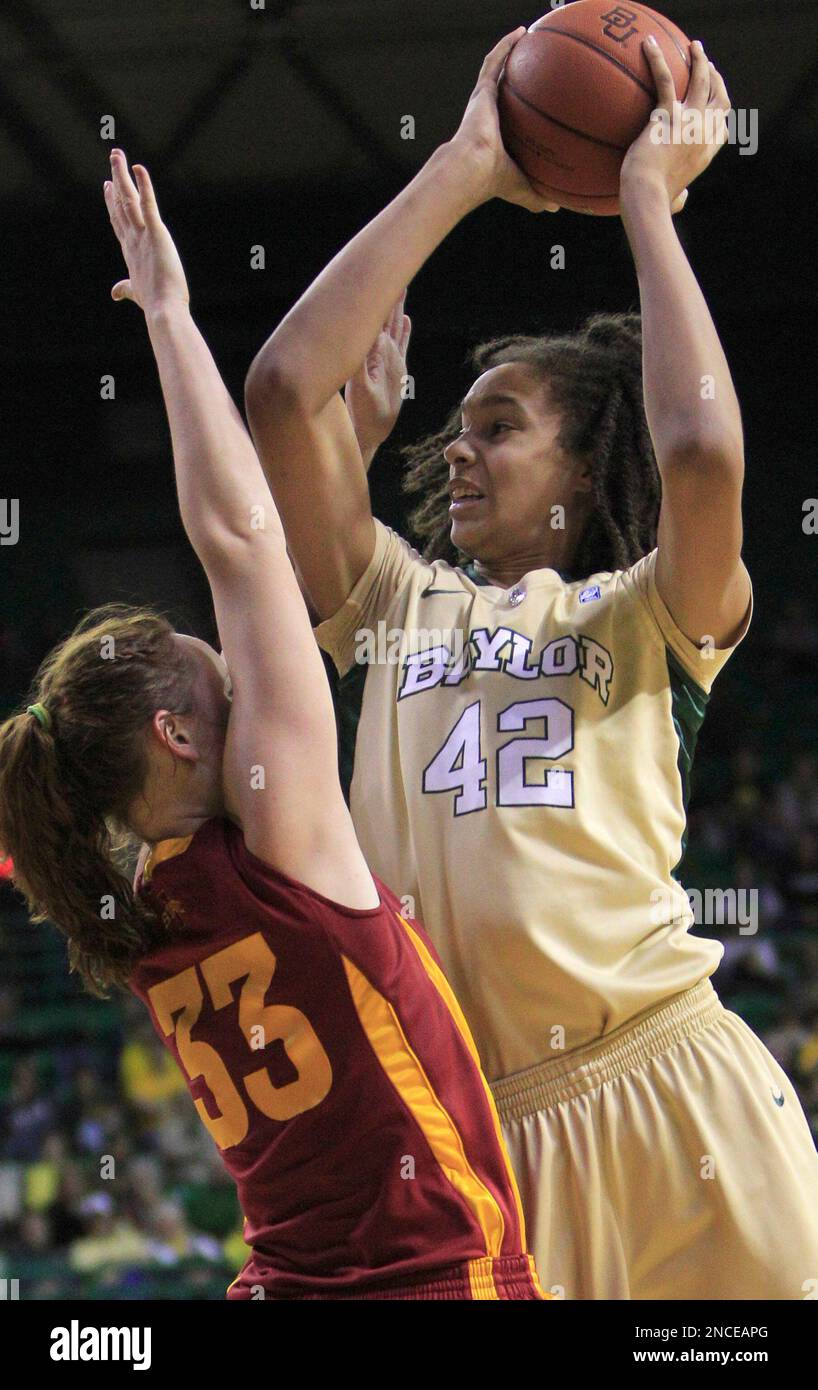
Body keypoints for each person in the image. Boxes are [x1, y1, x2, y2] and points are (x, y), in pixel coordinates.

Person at [245, 30, 818, 1297]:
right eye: (452, 427)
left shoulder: (648, 610)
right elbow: (285, 388)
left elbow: (705, 460)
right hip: (482, 1141)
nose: (456, 450)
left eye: (497, 427)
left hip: (673, 1087)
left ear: (584, 460)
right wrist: (461, 164)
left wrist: (643, 206)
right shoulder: (394, 603)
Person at [0, 150, 543, 1301]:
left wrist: (340, 452)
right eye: (220, 673)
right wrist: (169, 316)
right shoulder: (278, 851)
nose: (251, 670)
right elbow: (242, 546)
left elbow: (274, 589)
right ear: (180, 736)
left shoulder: (154, 907)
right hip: (421, 1283)